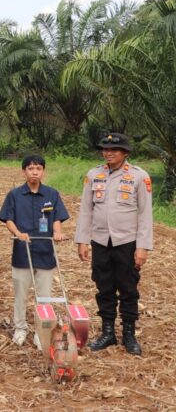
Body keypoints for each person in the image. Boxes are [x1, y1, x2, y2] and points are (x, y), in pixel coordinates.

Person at [75, 133, 153, 356]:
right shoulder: (94, 175)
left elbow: (145, 214)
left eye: (114, 150)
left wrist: (143, 247)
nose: (108, 153)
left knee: (128, 288)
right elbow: (86, 210)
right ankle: (107, 332)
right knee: (104, 286)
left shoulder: (138, 176)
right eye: (105, 149)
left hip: (127, 241)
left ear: (125, 153)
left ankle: (128, 333)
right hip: (100, 241)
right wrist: (82, 240)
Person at [0, 155, 69, 348]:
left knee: (44, 296)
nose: (34, 172)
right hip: (22, 252)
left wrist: (58, 232)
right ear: (24, 172)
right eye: (30, 169)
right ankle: (20, 327)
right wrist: (18, 233)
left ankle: (41, 330)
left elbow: (57, 218)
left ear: (43, 171)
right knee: (21, 294)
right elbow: (8, 219)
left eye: (38, 168)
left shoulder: (51, 194)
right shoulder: (14, 195)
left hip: (46, 252)